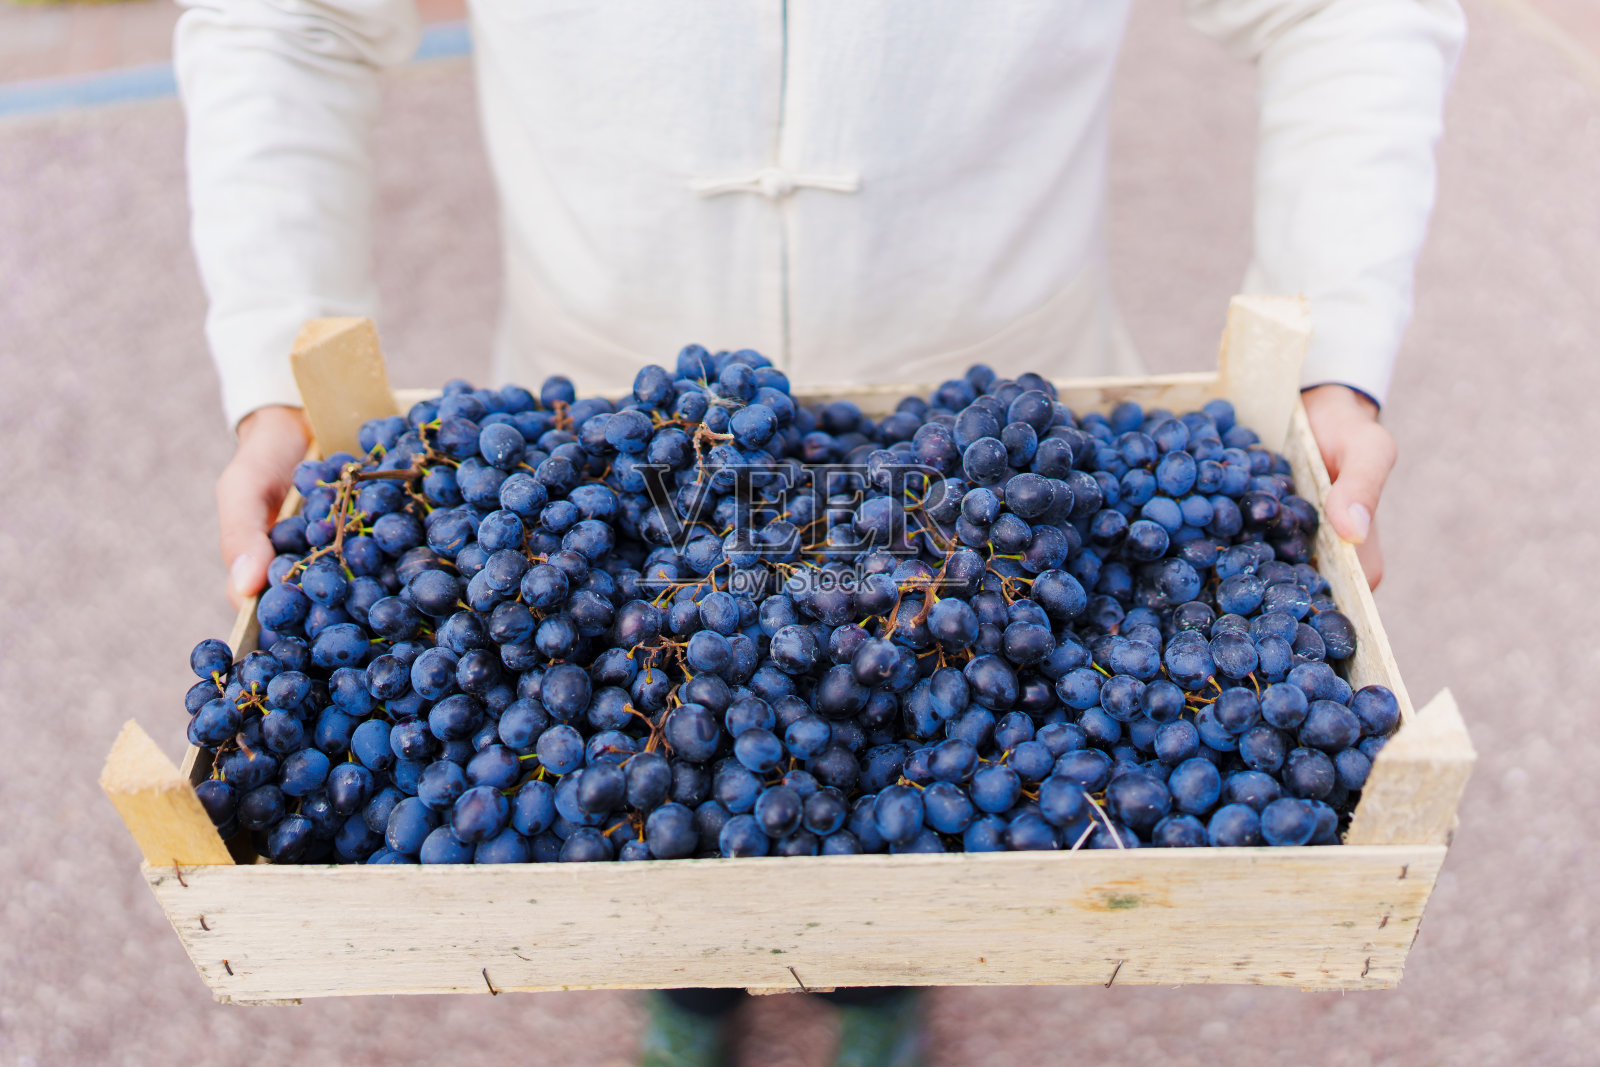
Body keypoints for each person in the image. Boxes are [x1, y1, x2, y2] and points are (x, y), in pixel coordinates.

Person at [175, 2, 1464, 1063]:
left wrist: (1337, 350)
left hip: (1006, 450)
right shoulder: (565, 557)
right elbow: (285, 20)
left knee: (903, 781)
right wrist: (277, 367)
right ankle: (690, 983)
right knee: (656, 796)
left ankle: (873, 979)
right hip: (624, 456)